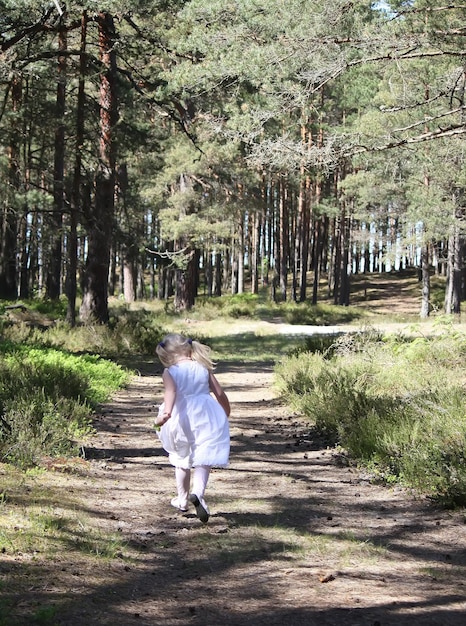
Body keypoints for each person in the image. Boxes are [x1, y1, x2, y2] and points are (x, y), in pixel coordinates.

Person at [154, 333, 230, 523]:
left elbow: (170, 393)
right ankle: (198, 493)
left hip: (182, 416)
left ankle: (182, 500)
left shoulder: (170, 371)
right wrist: (225, 410)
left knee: (182, 457)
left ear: (169, 355)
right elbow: (219, 393)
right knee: (205, 454)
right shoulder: (203, 368)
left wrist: (167, 413)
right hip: (206, 415)